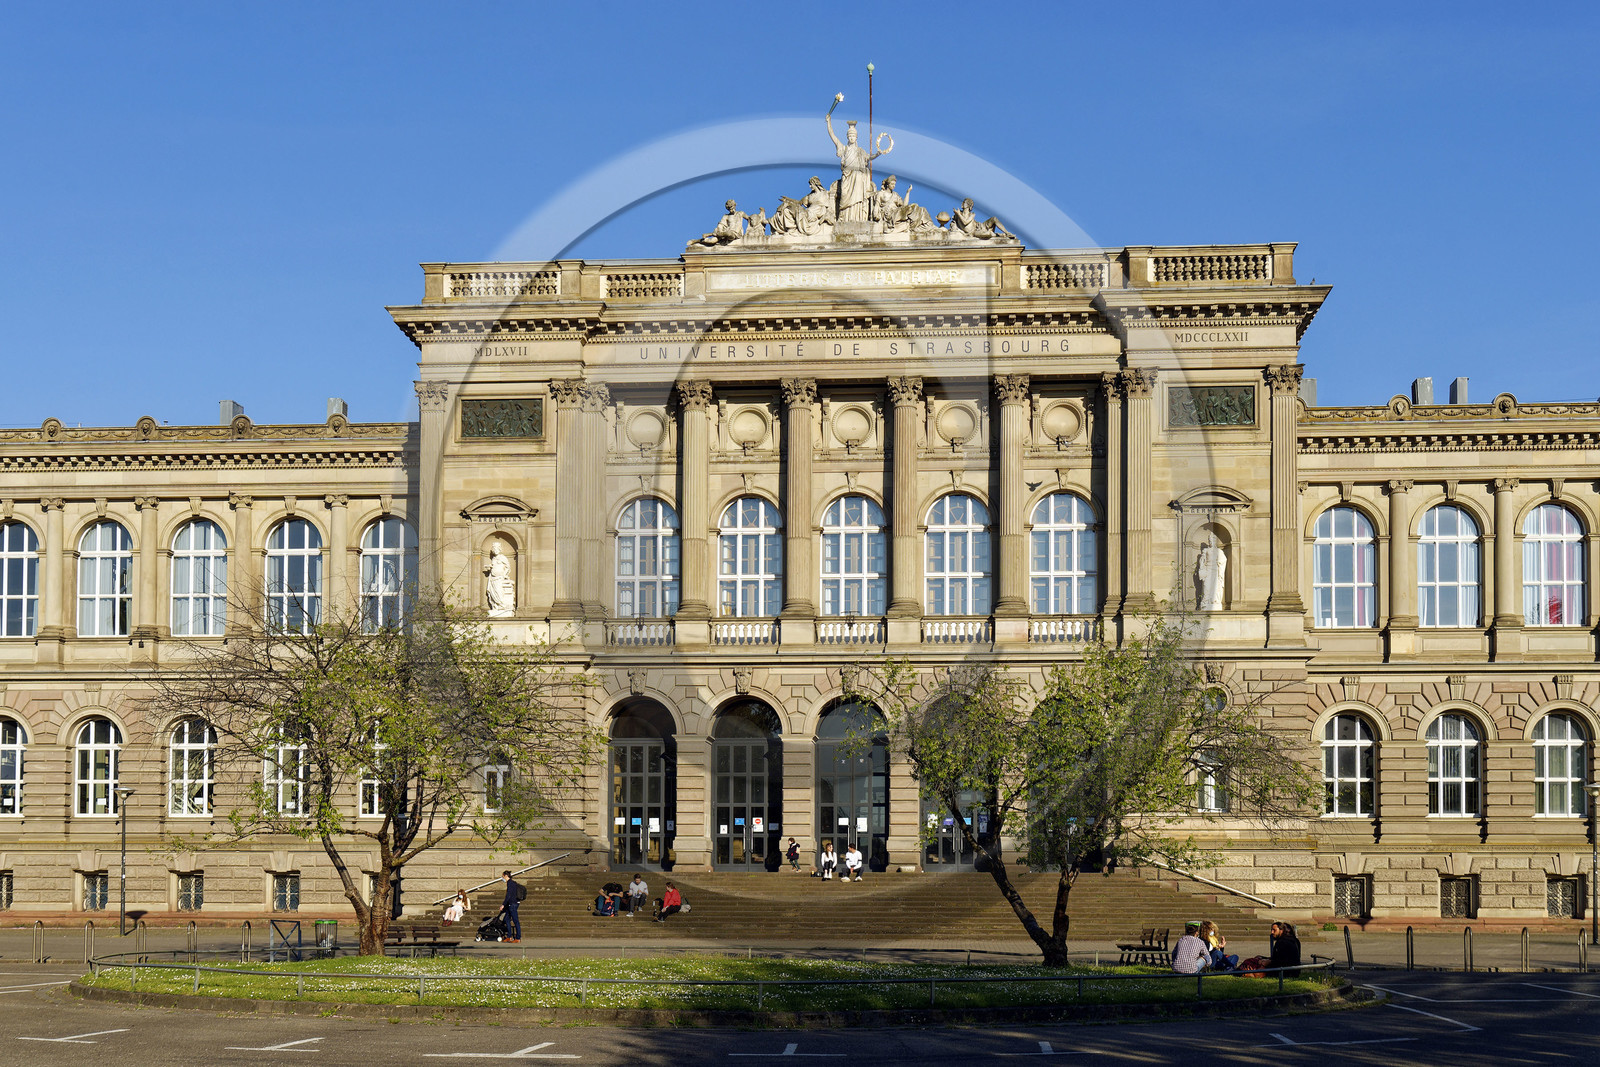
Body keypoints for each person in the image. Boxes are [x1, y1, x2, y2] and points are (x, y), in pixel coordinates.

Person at [825, 115, 886, 223]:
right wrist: (828, 122)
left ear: (856, 137)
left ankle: (858, 218)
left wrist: (878, 153)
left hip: (858, 178)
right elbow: (833, 136)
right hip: (847, 178)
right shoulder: (844, 149)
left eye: (853, 136)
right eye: (850, 136)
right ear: (847, 137)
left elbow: (869, 157)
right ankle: (844, 218)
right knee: (844, 198)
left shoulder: (860, 151)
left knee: (858, 198)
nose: (852, 138)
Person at [497, 869, 523, 943]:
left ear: (506, 876)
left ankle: (518, 938)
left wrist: (503, 905)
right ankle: (509, 936)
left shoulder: (510, 883)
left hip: (512, 904)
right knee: (506, 919)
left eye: (503, 876)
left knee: (515, 921)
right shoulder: (512, 883)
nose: (502, 878)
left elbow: (508, 895)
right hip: (512, 904)